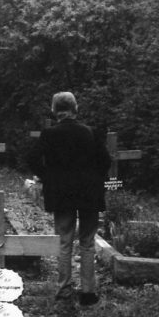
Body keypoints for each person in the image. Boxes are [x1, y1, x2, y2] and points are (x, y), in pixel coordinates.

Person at [28, 92, 111, 306]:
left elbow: (33, 160)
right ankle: (88, 292)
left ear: (54, 110)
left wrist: (48, 178)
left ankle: (63, 289)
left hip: (62, 193)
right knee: (87, 242)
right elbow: (105, 161)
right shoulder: (91, 133)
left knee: (64, 241)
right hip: (88, 193)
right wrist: (94, 180)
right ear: (76, 109)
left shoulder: (49, 134)